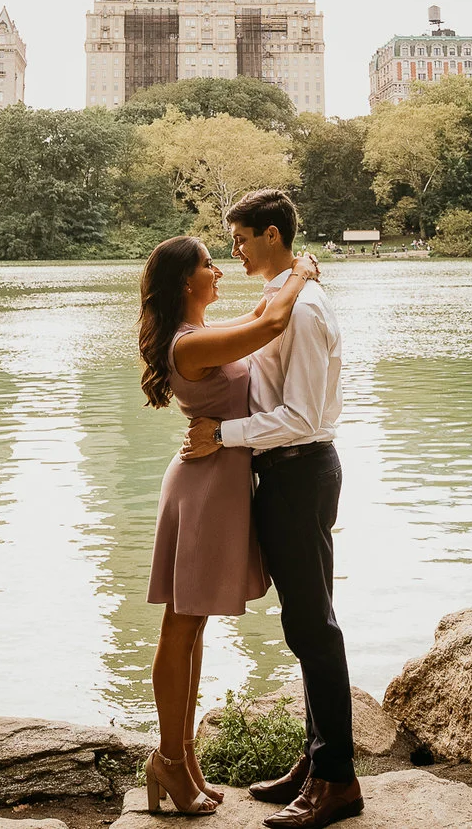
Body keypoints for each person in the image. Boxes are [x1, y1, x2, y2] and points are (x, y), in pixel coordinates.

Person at [182, 189, 360, 829]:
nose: (234, 247)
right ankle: (316, 764)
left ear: (273, 236)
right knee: (303, 624)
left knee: (314, 627)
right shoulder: (284, 301)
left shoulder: (306, 310)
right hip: (281, 476)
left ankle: (338, 780)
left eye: (241, 237)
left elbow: (303, 418)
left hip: (302, 473)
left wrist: (221, 437)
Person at [138, 234, 315, 815]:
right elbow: (269, 326)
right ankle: (168, 758)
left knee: (193, 627)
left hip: (218, 482)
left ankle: (183, 759)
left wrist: (291, 279)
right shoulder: (189, 346)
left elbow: (262, 315)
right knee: (182, 626)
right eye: (210, 265)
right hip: (205, 487)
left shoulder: (202, 335)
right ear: (188, 283)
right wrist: (301, 272)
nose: (219, 270)